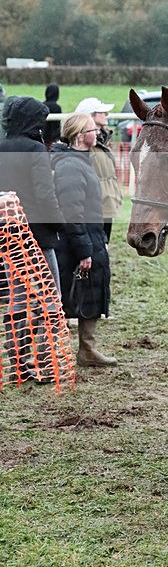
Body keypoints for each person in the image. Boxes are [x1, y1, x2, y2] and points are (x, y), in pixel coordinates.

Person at [0, 96, 65, 382]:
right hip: (38, 236)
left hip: (7, 235)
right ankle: (47, 363)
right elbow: (44, 193)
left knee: (16, 299)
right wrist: (59, 223)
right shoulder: (36, 149)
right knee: (51, 299)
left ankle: (18, 365)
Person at [51, 113, 116, 367]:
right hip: (78, 243)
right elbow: (71, 212)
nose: (97, 133)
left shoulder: (80, 161)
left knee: (91, 293)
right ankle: (56, 353)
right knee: (71, 297)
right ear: (80, 135)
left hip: (92, 238)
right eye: (92, 129)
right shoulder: (70, 166)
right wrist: (84, 250)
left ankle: (87, 350)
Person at [75, 97, 122, 243]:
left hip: (106, 203)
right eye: (103, 112)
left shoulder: (102, 140)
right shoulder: (82, 144)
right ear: (91, 115)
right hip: (94, 207)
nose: (107, 114)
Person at [43, 83, 62, 148]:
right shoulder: (57, 107)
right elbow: (56, 125)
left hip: (42, 137)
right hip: (52, 139)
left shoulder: (41, 105)